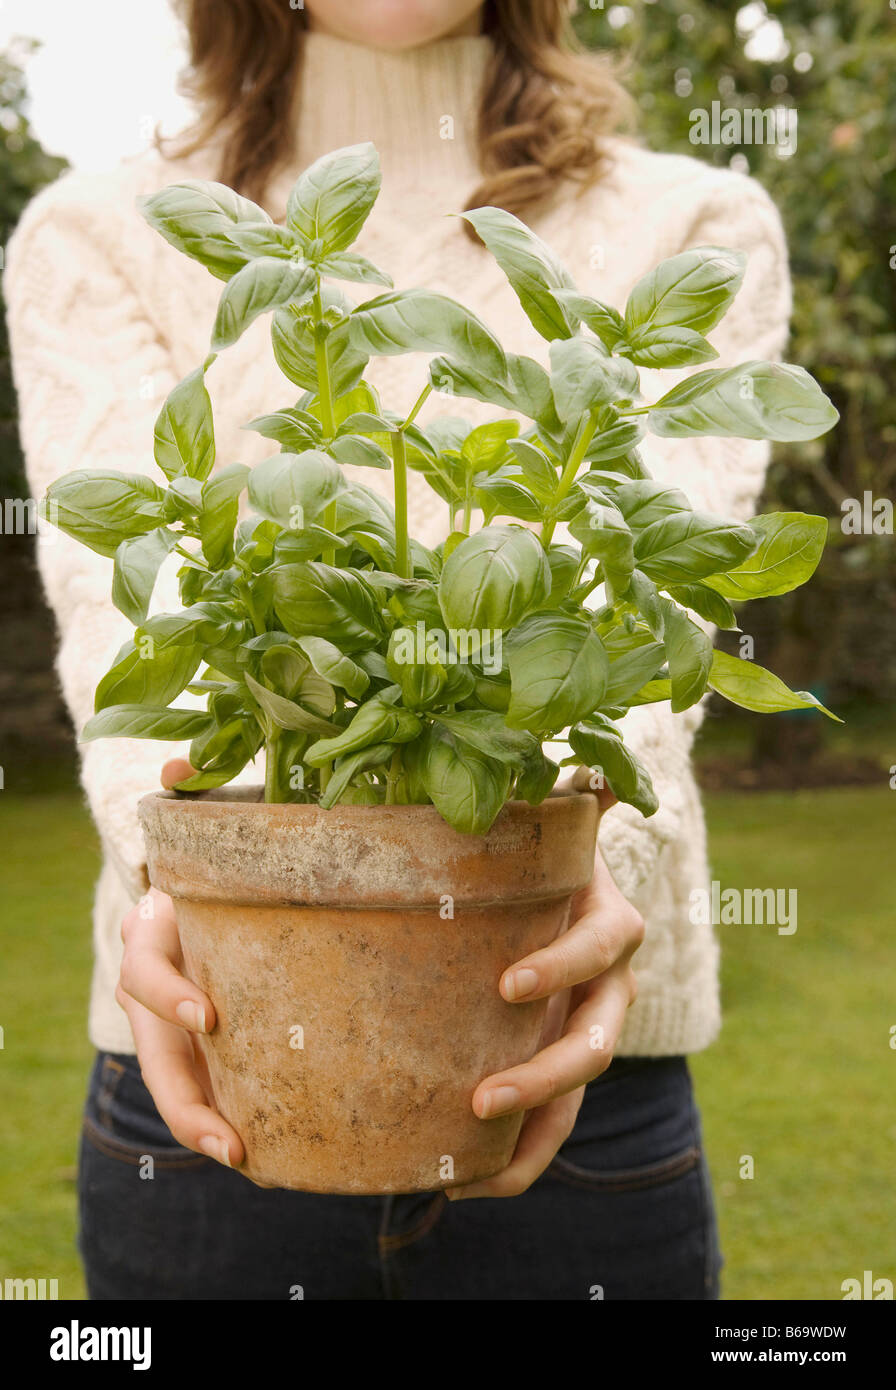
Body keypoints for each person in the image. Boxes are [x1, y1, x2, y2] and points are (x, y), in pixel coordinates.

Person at [5, 0, 791, 1300]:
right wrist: (180, 875)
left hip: (585, 1083)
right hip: (208, 1062)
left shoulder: (696, 225)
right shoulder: (94, 234)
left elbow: (645, 640)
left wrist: (574, 882)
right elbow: (128, 629)